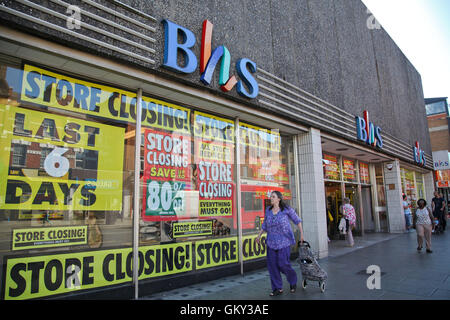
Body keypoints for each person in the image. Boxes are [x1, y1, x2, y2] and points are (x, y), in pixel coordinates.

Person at [256, 190, 304, 296]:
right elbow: (265, 224)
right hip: (271, 242)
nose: (271, 198)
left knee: (283, 264)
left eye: (273, 197)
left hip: (284, 242)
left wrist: (301, 234)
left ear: (279, 199)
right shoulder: (268, 210)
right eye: (271, 197)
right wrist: (259, 235)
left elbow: (297, 220)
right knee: (272, 265)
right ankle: (277, 288)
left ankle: (292, 280)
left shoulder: (286, 209)